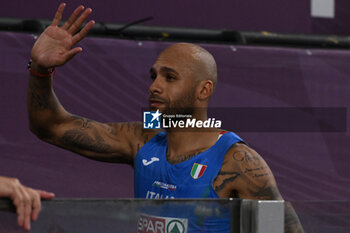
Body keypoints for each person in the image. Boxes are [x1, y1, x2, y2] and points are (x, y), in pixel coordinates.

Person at [27, 3, 304, 233]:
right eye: (154, 76)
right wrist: (40, 70)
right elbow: (51, 126)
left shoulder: (239, 163)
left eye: (169, 77)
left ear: (203, 90)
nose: (154, 86)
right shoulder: (143, 139)